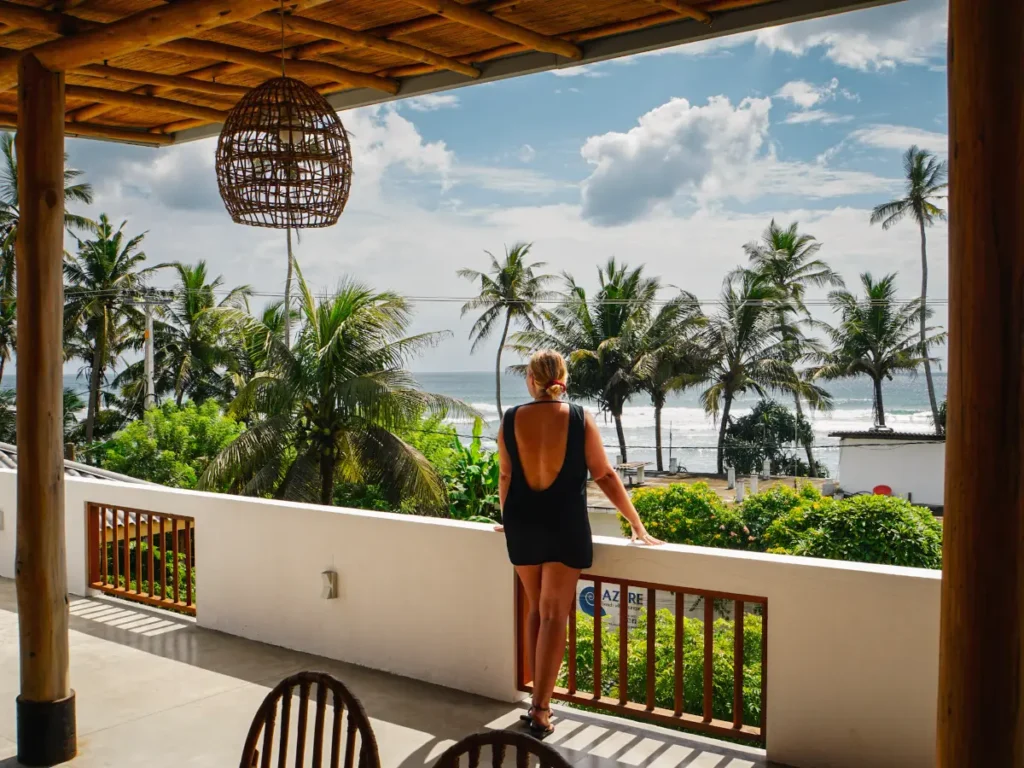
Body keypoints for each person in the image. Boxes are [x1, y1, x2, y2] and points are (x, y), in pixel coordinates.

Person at [497, 349, 661, 738]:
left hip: (522, 521)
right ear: (563, 380)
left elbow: (506, 476)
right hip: (563, 523)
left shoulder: (509, 419)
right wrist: (636, 523)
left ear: (531, 381)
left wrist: (508, 519)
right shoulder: (577, 417)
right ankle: (541, 709)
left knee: (535, 609)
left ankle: (536, 700)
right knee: (555, 615)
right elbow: (604, 474)